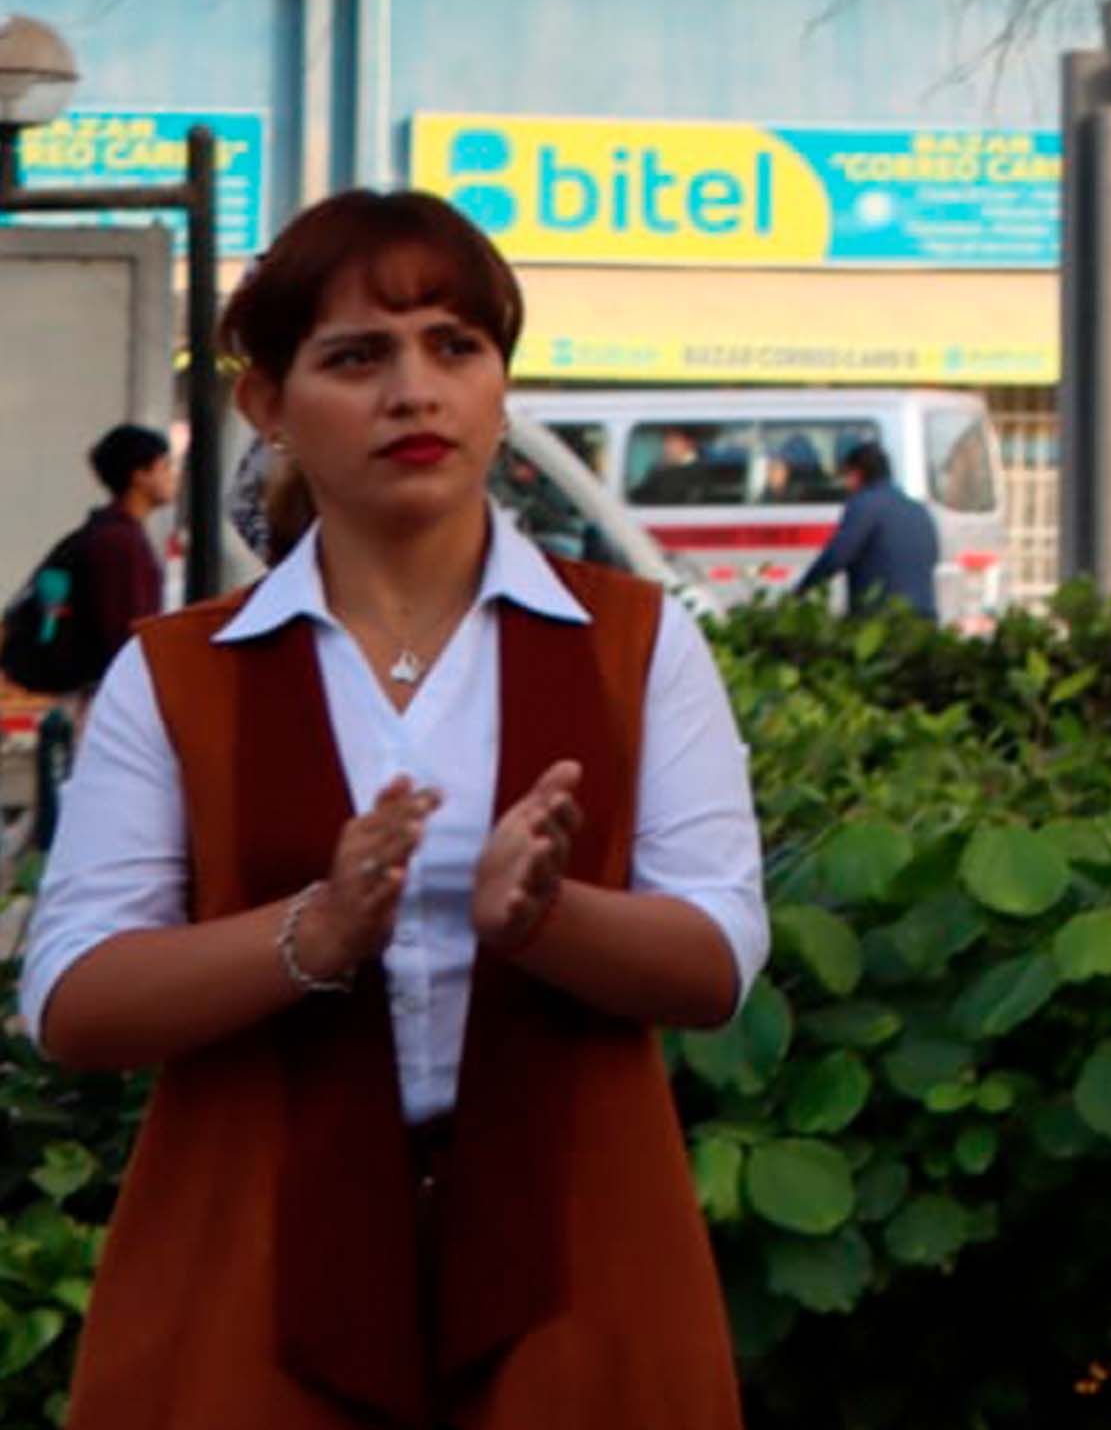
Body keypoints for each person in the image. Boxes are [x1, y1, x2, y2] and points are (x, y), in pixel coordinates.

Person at [20, 189, 767, 1428]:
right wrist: (308, 935)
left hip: (575, 1268)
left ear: (499, 384)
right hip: (250, 1270)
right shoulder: (180, 670)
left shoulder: (633, 645)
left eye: (454, 347)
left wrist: (541, 917)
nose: (414, 392)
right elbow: (71, 997)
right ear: (267, 403)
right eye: (357, 355)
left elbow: (718, 958)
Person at [11, 428, 176, 853]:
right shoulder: (120, 545)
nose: (173, 476)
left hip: (82, 700)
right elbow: (125, 641)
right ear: (141, 475)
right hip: (100, 705)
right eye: (166, 466)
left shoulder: (101, 536)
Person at [788, 441, 939, 619]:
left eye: (846, 477)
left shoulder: (863, 505)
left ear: (856, 475)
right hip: (925, 619)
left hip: (880, 621)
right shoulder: (918, 509)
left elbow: (836, 556)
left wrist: (800, 590)